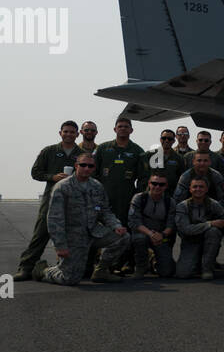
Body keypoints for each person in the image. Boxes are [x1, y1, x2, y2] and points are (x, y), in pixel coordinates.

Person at [32, 153, 129, 285]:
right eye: (83, 165)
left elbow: (105, 212)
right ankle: (44, 271)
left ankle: (101, 271)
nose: (87, 168)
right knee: (70, 279)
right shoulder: (62, 187)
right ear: (76, 166)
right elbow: (55, 219)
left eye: (90, 166)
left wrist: (116, 226)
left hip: (94, 232)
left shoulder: (97, 186)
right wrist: (60, 246)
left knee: (123, 237)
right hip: (73, 237)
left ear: (94, 168)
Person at [13, 120, 83, 280]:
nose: (69, 134)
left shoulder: (81, 154)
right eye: (66, 131)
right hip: (51, 200)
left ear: (77, 134)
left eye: (72, 132)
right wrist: (52, 177)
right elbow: (35, 172)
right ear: (60, 133)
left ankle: (71, 268)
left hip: (73, 201)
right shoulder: (49, 151)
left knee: (73, 236)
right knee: (41, 233)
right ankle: (26, 267)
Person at [93, 117, 145, 247]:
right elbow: (93, 172)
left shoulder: (138, 151)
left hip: (126, 198)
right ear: (115, 129)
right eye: (120, 126)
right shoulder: (103, 148)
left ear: (131, 130)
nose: (123, 129)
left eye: (126, 127)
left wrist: (138, 196)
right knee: (100, 228)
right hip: (104, 197)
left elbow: (143, 177)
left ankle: (124, 264)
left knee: (124, 228)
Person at [174, 177, 224, 280]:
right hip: (190, 241)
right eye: (195, 187)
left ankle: (207, 268)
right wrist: (210, 223)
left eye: (201, 187)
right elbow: (186, 229)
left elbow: (223, 222)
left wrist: (216, 239)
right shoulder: (182, 206)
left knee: (214, 232)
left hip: (208, 240)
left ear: (206, 189)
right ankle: (197, 261)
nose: (198, 189)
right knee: (183, 274)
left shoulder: (214, 204)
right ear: (190, 189)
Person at [127, 170, 176, 279]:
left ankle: (154, 260)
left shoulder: (170, 202)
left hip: (160, 236)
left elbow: (170, 225)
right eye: (154, 183)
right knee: (139, 239)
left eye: (161, 184)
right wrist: (150, 234)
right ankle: (141, 267)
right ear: (149, 184)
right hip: (143, 233)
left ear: (166, 186)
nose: (157, 187)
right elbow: (134, 222)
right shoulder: (139, 198)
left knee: (167, 272)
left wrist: (161, 235)